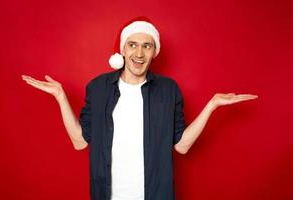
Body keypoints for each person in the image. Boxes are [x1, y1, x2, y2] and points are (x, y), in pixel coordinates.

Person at [21, 18, 258, 200]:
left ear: (154, 52)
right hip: (108, 194)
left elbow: (182, 146)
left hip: (155, 193)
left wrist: (212, 105)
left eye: (147, 46)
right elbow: (80, 142)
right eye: (132, 45)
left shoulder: (168, 90)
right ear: (123, 50)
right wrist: (61, 97)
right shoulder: (98, 88)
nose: (139, 53)